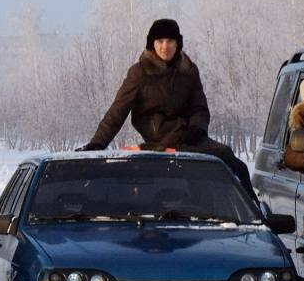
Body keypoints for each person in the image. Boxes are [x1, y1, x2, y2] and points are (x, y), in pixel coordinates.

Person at [80, 18, 254, 193]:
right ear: (152, 44)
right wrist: (97, 143)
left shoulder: (189, 70)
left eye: (170, 41)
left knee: (234, 163)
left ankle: (253, 212)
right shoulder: (139, 73)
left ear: (178, 43)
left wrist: (197, 129)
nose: (165, 46)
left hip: (191, 137)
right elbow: (117, 111)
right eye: (160, 41)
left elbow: (199, 107)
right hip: (161, 139)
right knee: (208, 166)